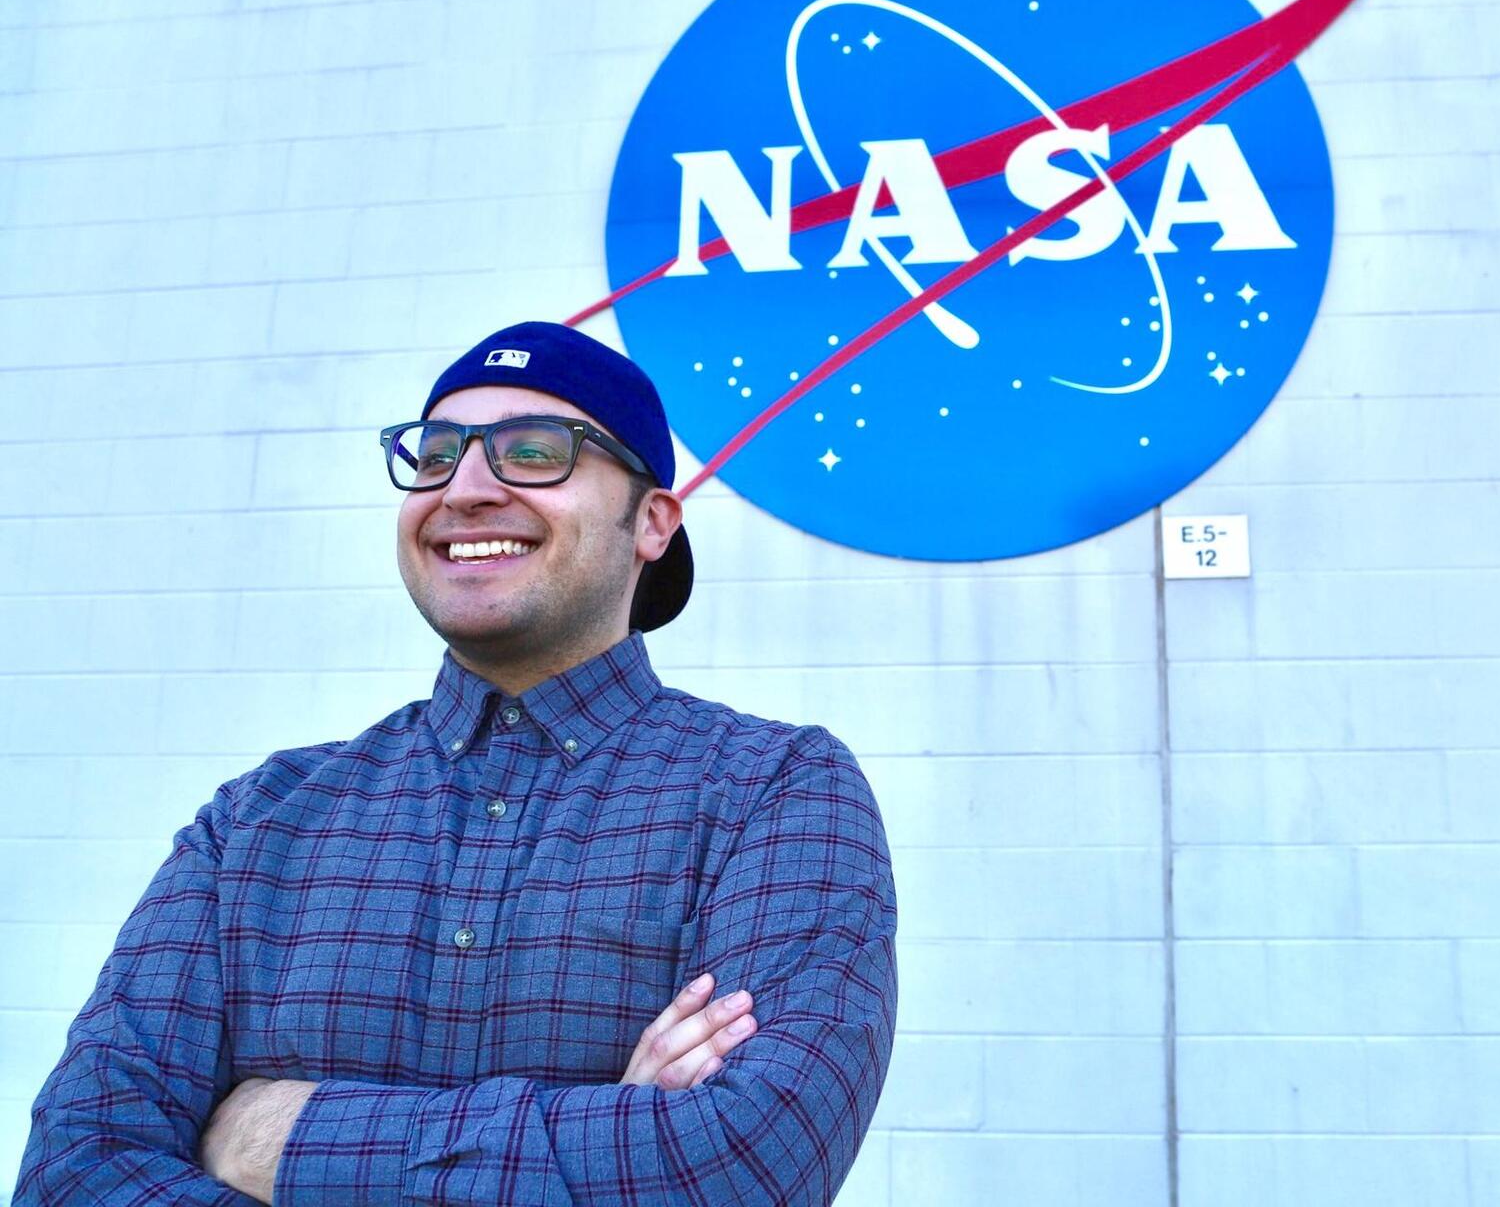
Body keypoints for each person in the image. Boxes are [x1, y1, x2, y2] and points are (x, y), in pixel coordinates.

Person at [14, 321, 898, 1205]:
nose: (465, 489)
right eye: (436, 455)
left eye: (536, 451)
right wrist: (606, 1142)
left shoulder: (772, 790)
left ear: (652, 522)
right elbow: (75, 1172)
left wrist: (278, 1138)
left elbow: (742, 1164)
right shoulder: (256, 822)